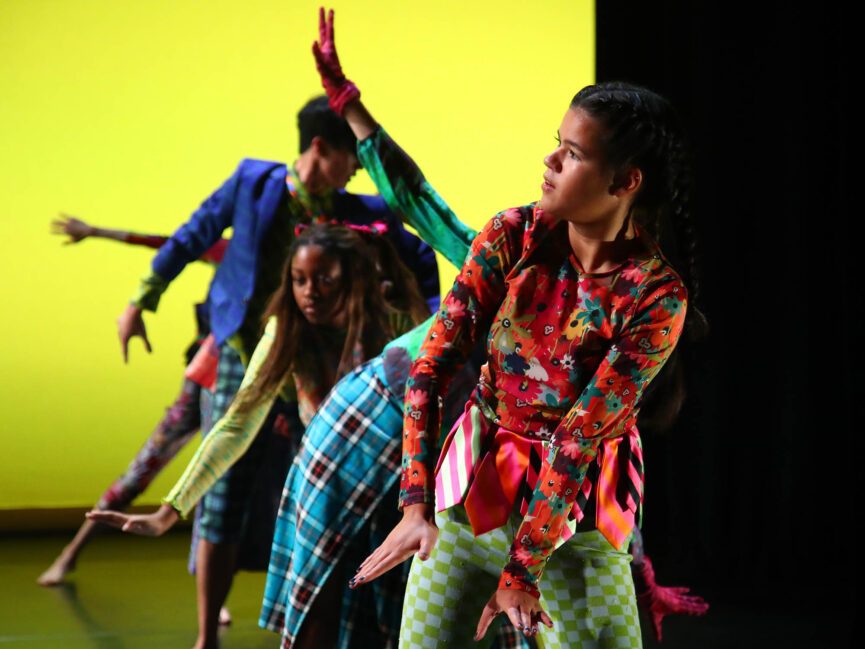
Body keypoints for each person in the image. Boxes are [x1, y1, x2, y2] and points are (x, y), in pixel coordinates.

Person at [353, 80, 704, 649]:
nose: (550, 160)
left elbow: (575, 438)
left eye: (574, 153)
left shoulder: (655, 297)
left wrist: (522, 573)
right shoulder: (511, 235)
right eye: (556, 142)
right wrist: (416, 504)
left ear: (625, 181)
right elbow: (430, 368)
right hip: (468, 506)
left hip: (579, 526)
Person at [112, 96, 439, 648]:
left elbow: (420, 238)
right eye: (348, 156)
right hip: (254, 352)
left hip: (355, 412)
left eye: (324, 282)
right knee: (230, 496)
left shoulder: (363, 230)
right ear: (319, 147)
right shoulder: (255, 188)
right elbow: (192, 236)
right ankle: (205, 634)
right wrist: (140, 300)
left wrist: (434, 318)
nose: (356, 167)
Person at [90, 221, 423, 649]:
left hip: (393, 488)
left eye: (324, 279)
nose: (310, 292)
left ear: (353, 277)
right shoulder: (286, 329)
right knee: (314, 616)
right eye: (299, 280)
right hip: (324, 489)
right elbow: (237, 420)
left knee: (386, 623)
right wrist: (170, 510)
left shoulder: (394, 322)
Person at [37, 215, 227, 589]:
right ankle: (70, 553)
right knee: (142, 470)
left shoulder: (291, 257)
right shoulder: (235, 250)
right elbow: (165, 242)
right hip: (204, 378)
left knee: (217, 487)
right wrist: (96, 231)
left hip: (245, 390)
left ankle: (213, 593)